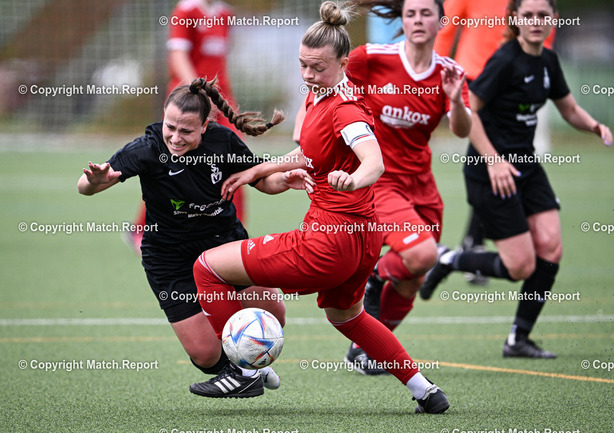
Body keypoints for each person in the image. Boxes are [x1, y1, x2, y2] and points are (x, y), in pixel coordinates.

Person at [189, 1, 450, 414]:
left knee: (207, 267)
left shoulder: (344, 108)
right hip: (363, 239)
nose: (308, 74)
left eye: (318, 67)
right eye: (303, 65)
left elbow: (374, 160)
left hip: (327, 243)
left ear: (344, 64)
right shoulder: (320, 97)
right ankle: (426, 391)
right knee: (347, 318)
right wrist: (259, 169)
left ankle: (243, 373)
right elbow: (308, 153)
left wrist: (354, 178)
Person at [77, 77, 299, 395]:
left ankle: (246, 368)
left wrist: (285, 180)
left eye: (186, 131)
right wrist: (95, 181)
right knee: (205, 354)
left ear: (205, 127)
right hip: (169, 256)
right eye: (170, 127)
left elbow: (262, 181)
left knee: (274, 312)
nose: (175, 137)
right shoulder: (147, 148)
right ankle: (245, 371)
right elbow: (84, 188)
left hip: (222, 240)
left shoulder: (223, 142)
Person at [420, 0, 613, 358]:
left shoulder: (548, 60)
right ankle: (448, 259)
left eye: (543, 15)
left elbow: (568, 108)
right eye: (528, 15)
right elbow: (470, 111)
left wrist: (594, 126)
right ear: (514, 19)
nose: (536, 21)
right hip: (490, 172)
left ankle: (518, 339)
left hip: (527, 168)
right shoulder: (504, 60)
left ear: (554, 19)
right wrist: (493, 161)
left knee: (551, 248)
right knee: (520, 266)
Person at [292, 0, 471, 374]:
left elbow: (461, 130)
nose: (418, 20)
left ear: (441, 21)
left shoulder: (449, 72)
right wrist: (303, 130)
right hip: (378, 180)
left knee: (413, 276)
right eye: (411, 13)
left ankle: (368, 350)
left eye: (426, 13)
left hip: (422, 184)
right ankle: (373, 274)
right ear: (402, 19)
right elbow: (321, 85)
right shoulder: (371, 58)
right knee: (423, 255)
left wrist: (455, 101)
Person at [433, 0, 556, 286]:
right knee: (492, 162)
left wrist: (540, 65)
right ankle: (470, 247)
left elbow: (545, 28)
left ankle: (470, 246)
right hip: (475, 76)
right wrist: (433, 71)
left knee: (498, 163)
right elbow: (446, 27)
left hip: (516, 79)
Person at [127, 0, 246, 255]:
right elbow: (177, 55)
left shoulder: (225, 14)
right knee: (172, 167)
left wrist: (225, 103)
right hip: (190, 102)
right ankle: (143, 228)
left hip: (220, 102)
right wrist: (198, 91)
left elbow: (220, 63)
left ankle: (233, 235)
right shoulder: (186, 11)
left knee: (236, 162)